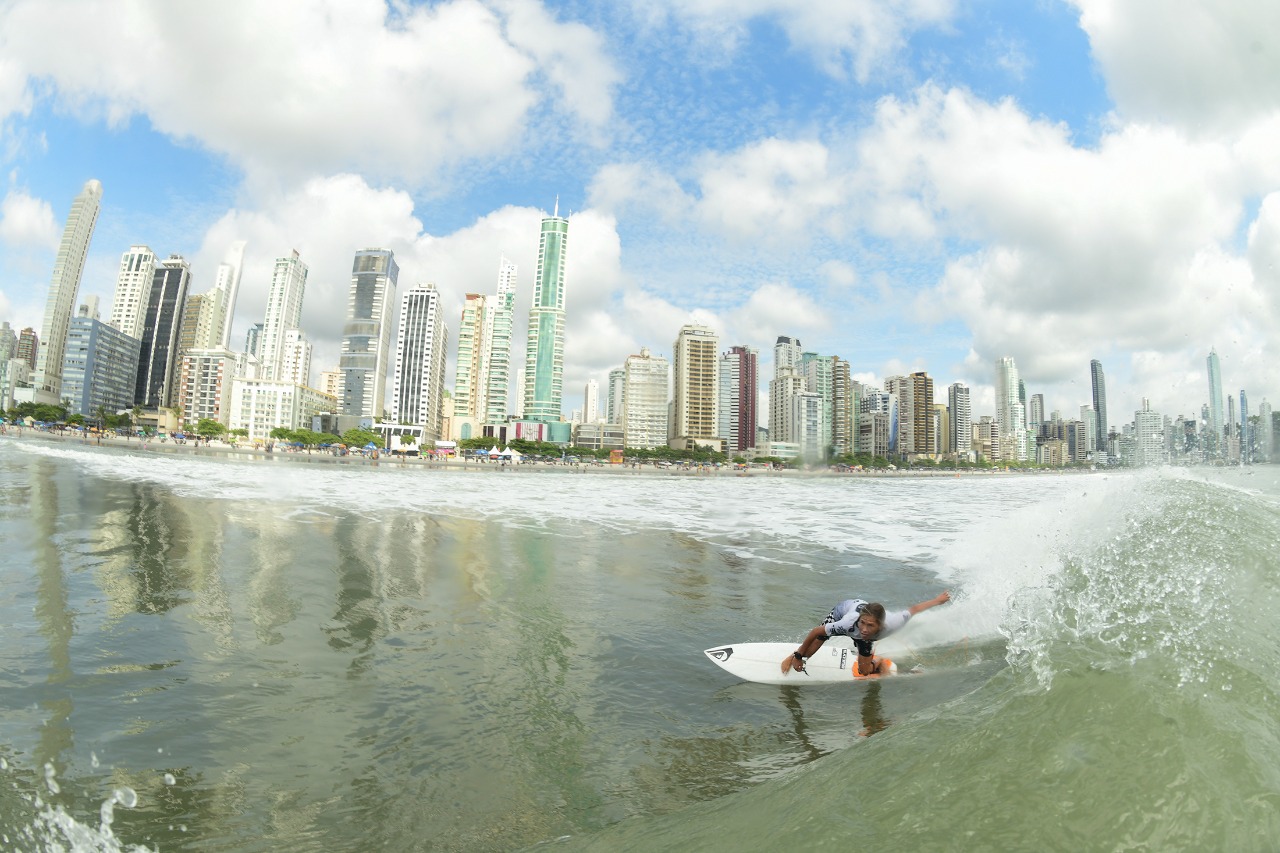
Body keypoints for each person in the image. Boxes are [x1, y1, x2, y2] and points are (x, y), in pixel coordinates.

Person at [781, 591, 951, 677]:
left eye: (870, 625)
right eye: (863, 623)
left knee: (864, 671)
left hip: (866, 638)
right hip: (842, 611)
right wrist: (798, 655)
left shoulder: (893, 623)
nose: (864, 629)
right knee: (814, 645)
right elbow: (816, 632)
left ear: (880, 626)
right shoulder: (847, 623)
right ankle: (796, 655)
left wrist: (937, 601)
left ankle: (879, 661)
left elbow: (913, 610)